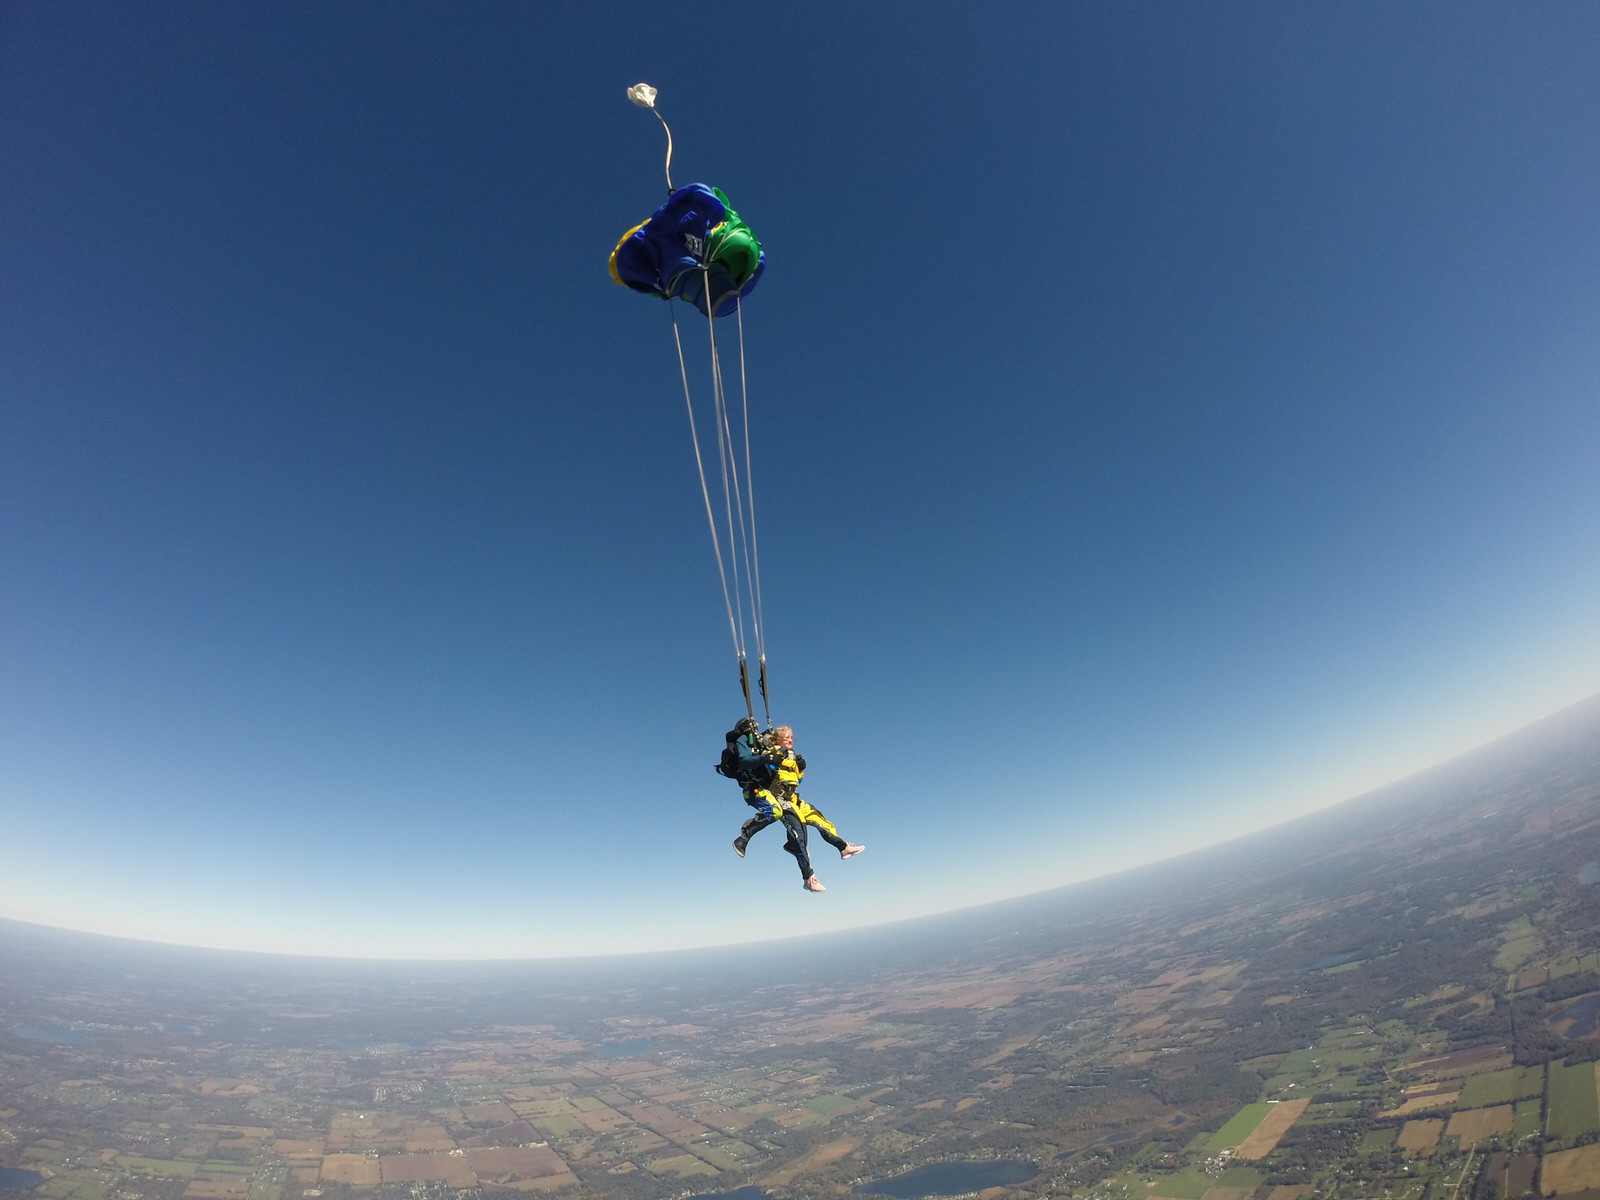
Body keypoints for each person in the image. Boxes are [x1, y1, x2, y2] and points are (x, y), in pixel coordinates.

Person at [728, 722, 863, 892]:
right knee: (799, 832)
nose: (790, 740)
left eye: (792, 737)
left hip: (792, 797)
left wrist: (801, 768)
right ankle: (808, 878)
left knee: (818, 819)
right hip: (778, 797)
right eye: (786, 738)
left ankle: (843, 847)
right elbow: (759, 765)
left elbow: (796, 780)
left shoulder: (790, 755)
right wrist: (769, 757)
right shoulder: (770, 750)